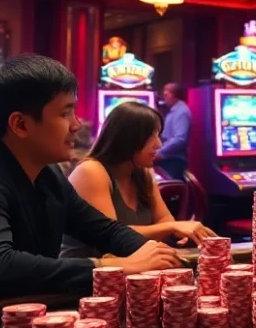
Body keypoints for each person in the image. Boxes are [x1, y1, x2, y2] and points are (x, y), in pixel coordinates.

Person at [0, 54, 181, 306]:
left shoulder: (46, 173)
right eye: (65, 113)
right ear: (21, 125)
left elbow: (104, 230)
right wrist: (109, 267)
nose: (76, 124)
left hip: (17, 311)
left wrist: (152, 255)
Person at [66, 100, 216, 255]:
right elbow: (110, 237)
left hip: (133, 268)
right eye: (152, 136)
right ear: (129, 139)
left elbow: (164, 220)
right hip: (90, 272)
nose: (159, 144)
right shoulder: (91, 171)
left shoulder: (142, 173)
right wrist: (172, 227)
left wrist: (182, 232)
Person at [156, 83, 191, 180]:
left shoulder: (181, 112)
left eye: (166, 94)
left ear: (174, 95)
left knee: (170, 191)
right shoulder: (174, 110)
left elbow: (180, 139)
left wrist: (159, 152)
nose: (164, 97)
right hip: (168, 158)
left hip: (174, 160)